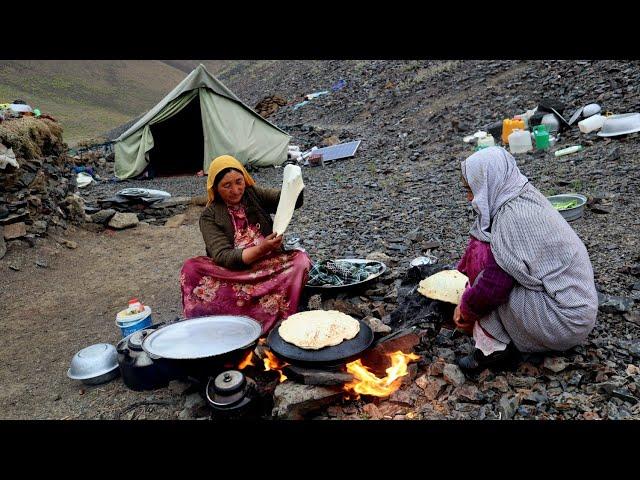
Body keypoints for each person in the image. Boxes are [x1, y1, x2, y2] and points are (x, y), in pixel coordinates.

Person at [452, 146, 598, 371]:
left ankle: (492, 349)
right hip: (579, 308)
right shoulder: (522, 194)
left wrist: (467, 307)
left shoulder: (511, 218)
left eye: (472, 190)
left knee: (488, 284)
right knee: (493, 272)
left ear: (490, 182)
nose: (470, 198)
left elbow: (494, 286)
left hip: (565, 321)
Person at [180, 155, 312, 334]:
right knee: (191, 269)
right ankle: (221, 326)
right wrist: (261, 248)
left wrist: (295, 182)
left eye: (239, 182)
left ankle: (278, 321)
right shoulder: (209, 216)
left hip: (267, 265)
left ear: (245, 179)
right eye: (227, 186)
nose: (235, 190)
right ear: (216, 188)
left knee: (300, 261)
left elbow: (290, 201)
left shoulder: (253, 194)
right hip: (233, 273)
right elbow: (222, 256)